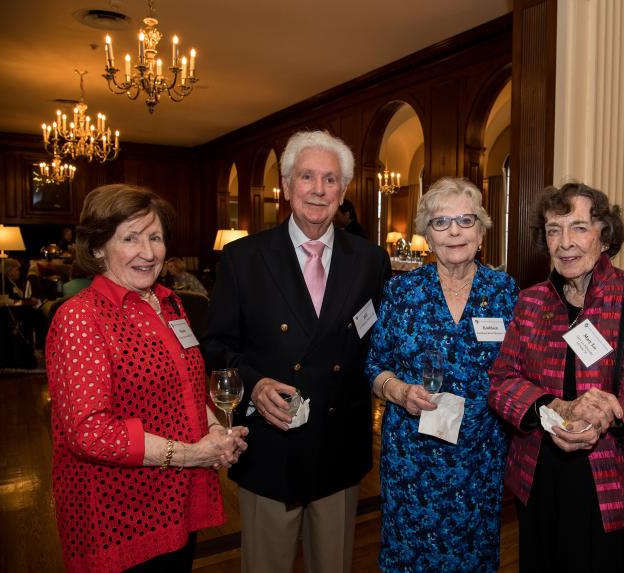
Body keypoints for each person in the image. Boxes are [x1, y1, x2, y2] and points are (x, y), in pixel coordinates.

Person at [487, 182, 624, 571]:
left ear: (605, 237)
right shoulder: (531, 301)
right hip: (537, 478)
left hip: (612, 484)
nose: (565, 242)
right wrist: (548, 405)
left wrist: (616, 410)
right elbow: (502, 380)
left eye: (579, 228)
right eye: (554, 230)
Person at [203, 130, 391, 573]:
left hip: (338, 446)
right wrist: (254, 383)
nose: (319, 189)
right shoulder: (243, 258)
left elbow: (382, 342)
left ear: (343, 191)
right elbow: (214, 345)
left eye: (330, 180)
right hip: (270, 446)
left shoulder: (370, 260)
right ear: (286, 187)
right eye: (307, 177)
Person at [45, 184, 249, 573]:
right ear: (97, 248)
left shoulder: (170, 303)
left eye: (155, 237)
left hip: (177, 498)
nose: (149, 252)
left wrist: (213, 432)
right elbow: (90, 432)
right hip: (118, 512)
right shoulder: (81, 317)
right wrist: (191, 455)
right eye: (131, 238)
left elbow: (189, 384)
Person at [365, 177, 518, 572]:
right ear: (427, 237)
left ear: (481, 232)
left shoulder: (505, 291)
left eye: (465, 221)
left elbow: (522, 370)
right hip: (412, 460)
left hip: (480, 456)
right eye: (440, 222)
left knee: (474, 554)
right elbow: (373, 364)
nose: (454, 231)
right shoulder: (402, 292)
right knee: (409, 556)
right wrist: (398, 392)